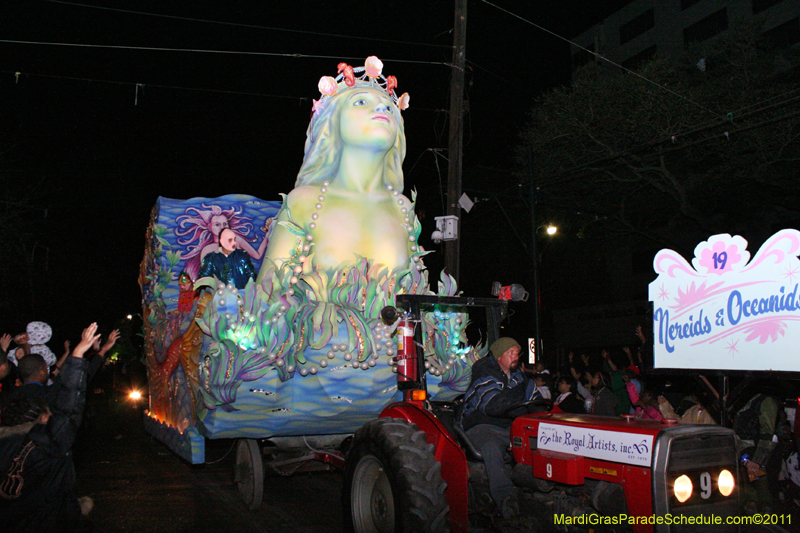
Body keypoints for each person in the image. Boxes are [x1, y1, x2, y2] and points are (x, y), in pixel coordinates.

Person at [258, 57, 414, 277]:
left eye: (390, 108)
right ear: (334, 123)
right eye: (360, 102)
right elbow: (267, 295)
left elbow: (416, 295)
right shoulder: (303, 202)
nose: (381, 107)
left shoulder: (403, 209)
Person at [0, 322, 100, 533]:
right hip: (55, 520)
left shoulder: (6, 435)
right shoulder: (50, 443)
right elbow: (70, 403)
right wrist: (78, 355)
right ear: (44, 416)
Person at [460, 337, 542, 520]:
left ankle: (539, 489)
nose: (515, 357)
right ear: (498, 356)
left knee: (540, 441)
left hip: (510, 427)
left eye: (516, 353)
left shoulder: (522, 380)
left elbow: (536, 402)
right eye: (510, 353)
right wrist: (523, 404)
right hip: (482, 425)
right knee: (491, 446)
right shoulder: (483, 376)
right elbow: (493, 405)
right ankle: (506, 497)